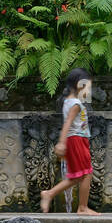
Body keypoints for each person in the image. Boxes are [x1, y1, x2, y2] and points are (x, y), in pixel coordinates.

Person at [39, 68, 100, 215]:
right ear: (80, 85)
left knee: (78, 176)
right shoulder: (76, 104)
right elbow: (67, 123)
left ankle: (49, 194)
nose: (89, 91)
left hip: (77, 139)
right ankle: (82, 208)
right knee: (87, 173)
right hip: (76, 139)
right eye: (87, 87)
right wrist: (61, 143)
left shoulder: (69, 101)